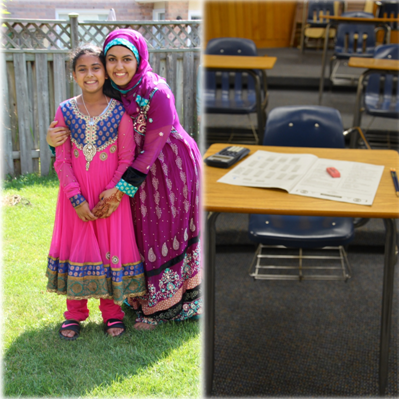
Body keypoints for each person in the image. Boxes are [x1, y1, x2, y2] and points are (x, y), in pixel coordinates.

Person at [47, 29, 202, 330]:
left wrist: (118, 191)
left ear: (140, 59)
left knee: (166, 232)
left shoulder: (157, 91)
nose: (119, 67)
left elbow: (150, 151)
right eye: (112, 60)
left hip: (169, 168)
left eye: (127, 59)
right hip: (132, 173)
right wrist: (52, 141)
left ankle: (163, 308)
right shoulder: (116, 90)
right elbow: (72, 135)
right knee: (142, 234)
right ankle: (136, 298)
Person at [46, 44, 146, 340]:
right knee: (77, 247)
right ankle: (74, 313)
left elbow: (126, 158)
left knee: (109, 249)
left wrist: (113, 193)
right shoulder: (65, 111)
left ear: (105, 73)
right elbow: (61, 159)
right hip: (75, 199)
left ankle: (112, 313)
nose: (89, 74)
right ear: (73, 74)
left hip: (109, 197)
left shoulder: (120, 112)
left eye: (95, 67)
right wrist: (75, 198)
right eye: (82, 69)